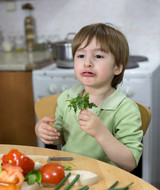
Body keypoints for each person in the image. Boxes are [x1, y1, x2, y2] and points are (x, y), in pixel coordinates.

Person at [35, 23, 143, 172]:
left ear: (117, 67)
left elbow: (130, 163)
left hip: (107, 177)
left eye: (98, 56)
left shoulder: (125, 109)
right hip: (69, 171)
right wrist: (46, 132)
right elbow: (60, 138)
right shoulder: (67, 97)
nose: (87, 63)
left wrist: (101, 133)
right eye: (80, 56)